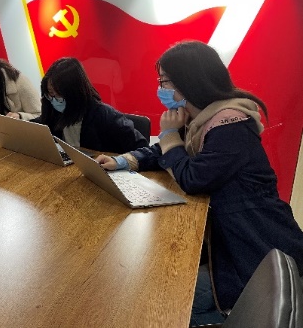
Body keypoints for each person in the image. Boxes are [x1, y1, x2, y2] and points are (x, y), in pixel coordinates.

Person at [96, 40, 303, 325]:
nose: (160, 88)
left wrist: (169, 134)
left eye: (164, 81)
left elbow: (192, 178)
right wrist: (124, 161)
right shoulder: (200, 118)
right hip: (227, 241)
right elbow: (162, 151)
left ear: (189, 81)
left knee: (161, 306)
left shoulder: (231, 124)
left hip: (252, 250)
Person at [33, 57, 148, 153]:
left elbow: (142, 148)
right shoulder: (53, 111)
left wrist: (118, 161)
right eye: (50, 93)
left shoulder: (105, 116)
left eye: (58, 94)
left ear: (74, 93)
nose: (53, 99)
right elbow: (40, 124)